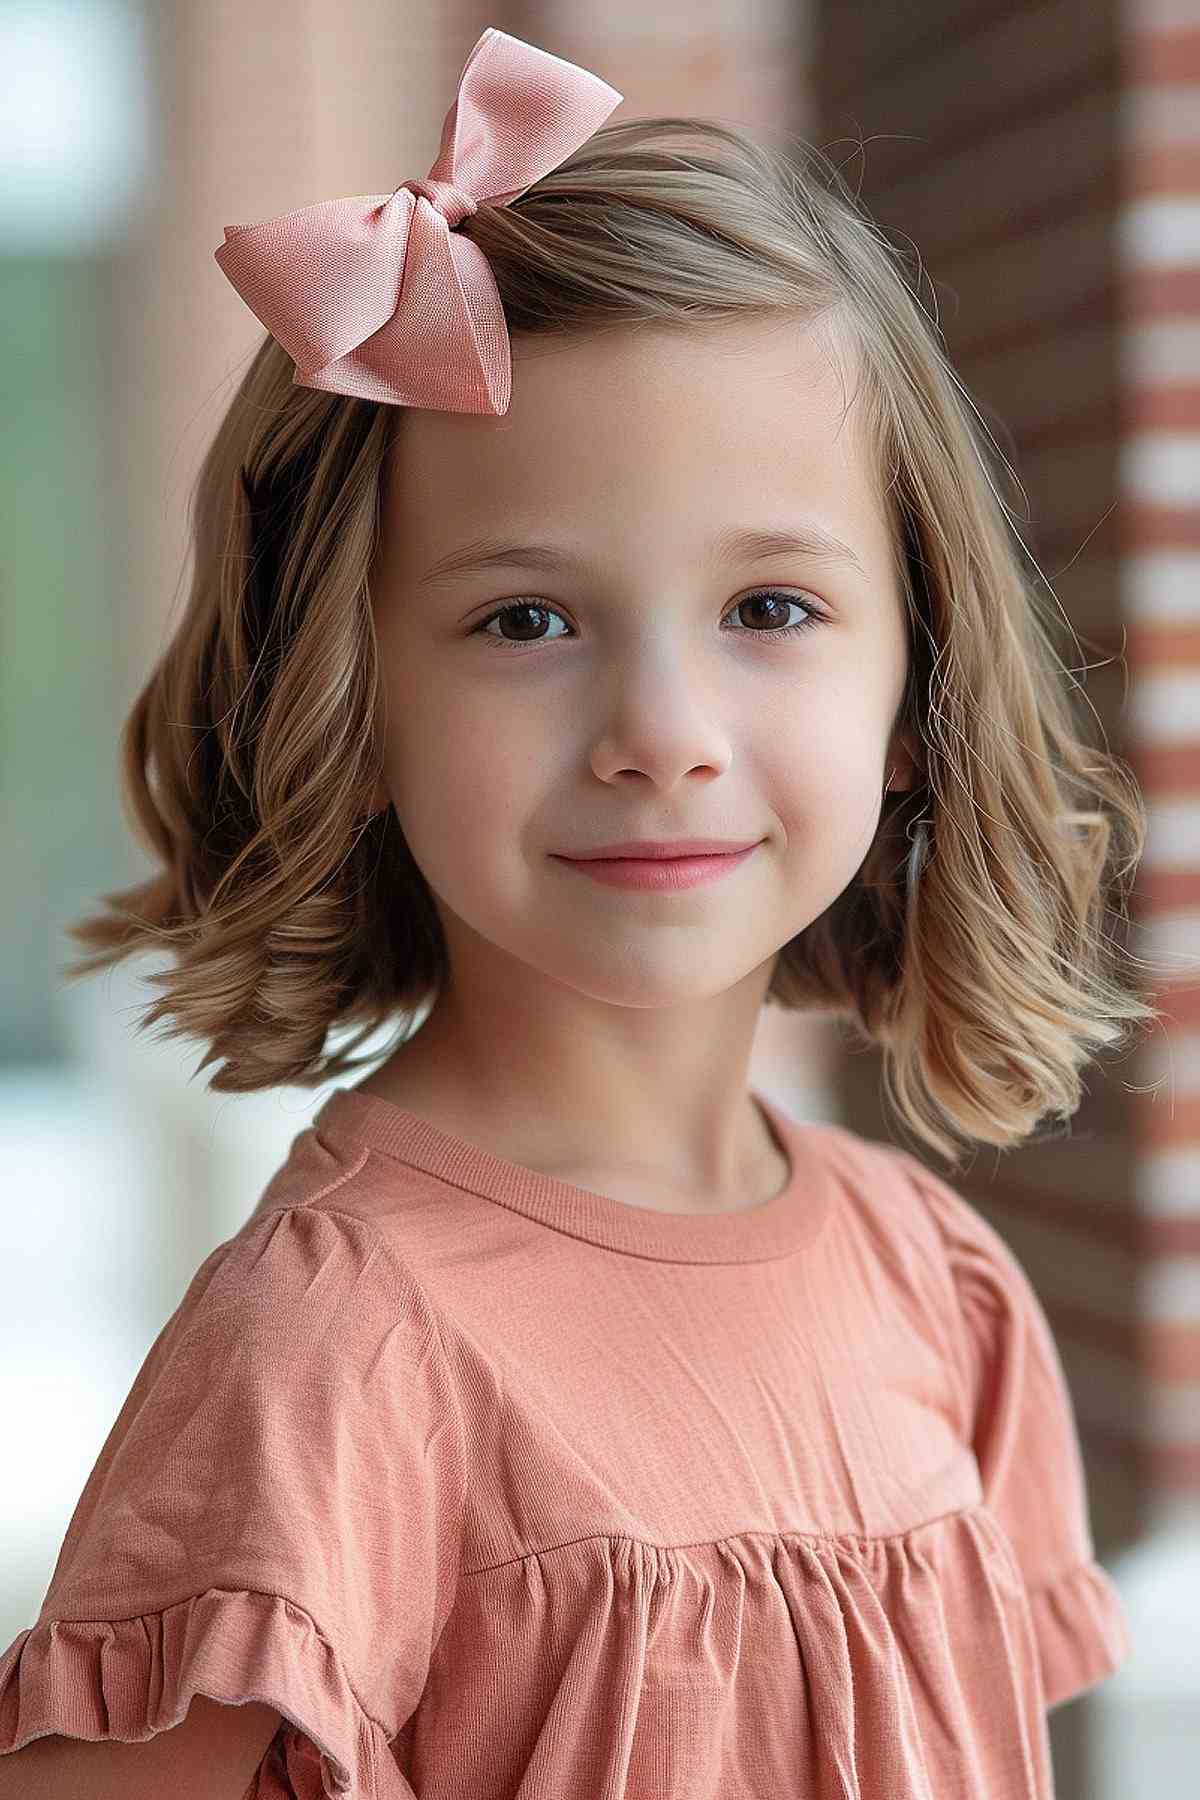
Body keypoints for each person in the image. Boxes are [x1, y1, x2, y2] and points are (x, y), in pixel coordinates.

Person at [0, 23, 1160, 1800]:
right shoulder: (329, 1363)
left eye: (770, 608)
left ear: (918, 694)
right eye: (527, 620)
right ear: (350, 704)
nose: (662, 741)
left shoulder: (943, 1289)